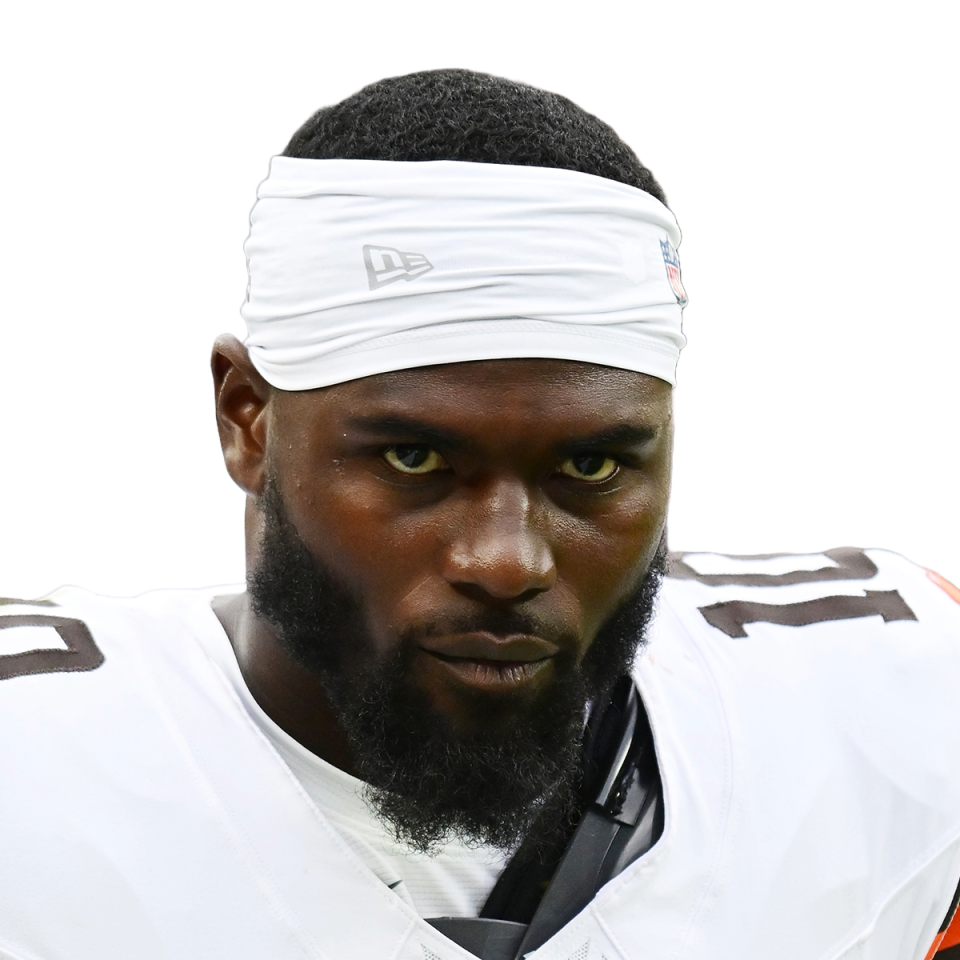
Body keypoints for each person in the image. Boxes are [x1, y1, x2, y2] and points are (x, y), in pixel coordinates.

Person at [1, 68, 958, 960]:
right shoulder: (33, 764)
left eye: (589, 464)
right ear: (246, 418)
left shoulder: (897, 703)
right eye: (415, 459)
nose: (507, 562)